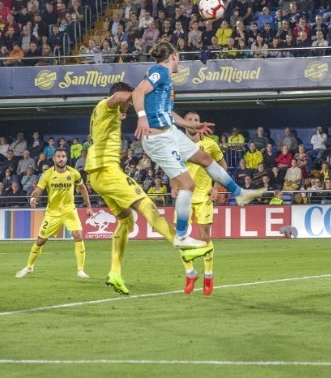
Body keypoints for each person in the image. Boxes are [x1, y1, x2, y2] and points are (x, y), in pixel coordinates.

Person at [86, 82, 213, 296]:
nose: (128, 109)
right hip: (107, 171)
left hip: (97, 176)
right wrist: (140, 95)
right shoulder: (106, 105)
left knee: (127, 221)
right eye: (128, 105)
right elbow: (118, 98)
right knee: (148, 206)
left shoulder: (102, 113)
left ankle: (115, 273)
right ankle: (181, 243)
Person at [131, 42, 263, 246]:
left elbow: (168, 113)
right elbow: (137, 92)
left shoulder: (165, 78)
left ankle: (240, 194)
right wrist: (141, 117)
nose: (179, 62)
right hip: (158, 139)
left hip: (170, 131)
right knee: (188, 185)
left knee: (205, 158)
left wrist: (191, 124)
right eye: (178, 57)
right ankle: (181, 235)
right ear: (173, 56)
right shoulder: (160, 71)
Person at [15, 148, 94, 279]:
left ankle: (80, 270)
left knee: (78, 236)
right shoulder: (47, 174)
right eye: (58, 156)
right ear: (54, 159)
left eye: (63, 156)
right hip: (52, 213)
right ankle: (29, 267)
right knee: (40, 241)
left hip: (69, 211)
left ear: (66, 158)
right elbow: (37, 190)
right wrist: (33, 199)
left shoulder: (73, 173)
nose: (61, 159)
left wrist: (88, 205)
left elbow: (82, 187)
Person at [177, 111, 224, 296]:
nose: (193, 122)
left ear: (199, 123)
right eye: (189, 119)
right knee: (180, 238)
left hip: (204, 196)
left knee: (204, 237)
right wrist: (173, 184)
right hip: (184, 196)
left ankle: (209, 275)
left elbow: (222, 166)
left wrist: (217, 187)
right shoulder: (177, 144)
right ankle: (190, 273)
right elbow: (171, 166)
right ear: (184, 123)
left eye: (196, 120)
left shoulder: (210, 144)